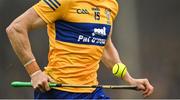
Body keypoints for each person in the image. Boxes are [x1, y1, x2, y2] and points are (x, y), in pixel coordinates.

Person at [6, 0, 154, 99]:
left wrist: (129, 79)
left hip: (92, 92)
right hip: (59, 92)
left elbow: (104, 45)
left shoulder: (111, 4)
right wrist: (35, 72)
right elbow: (16, 29)